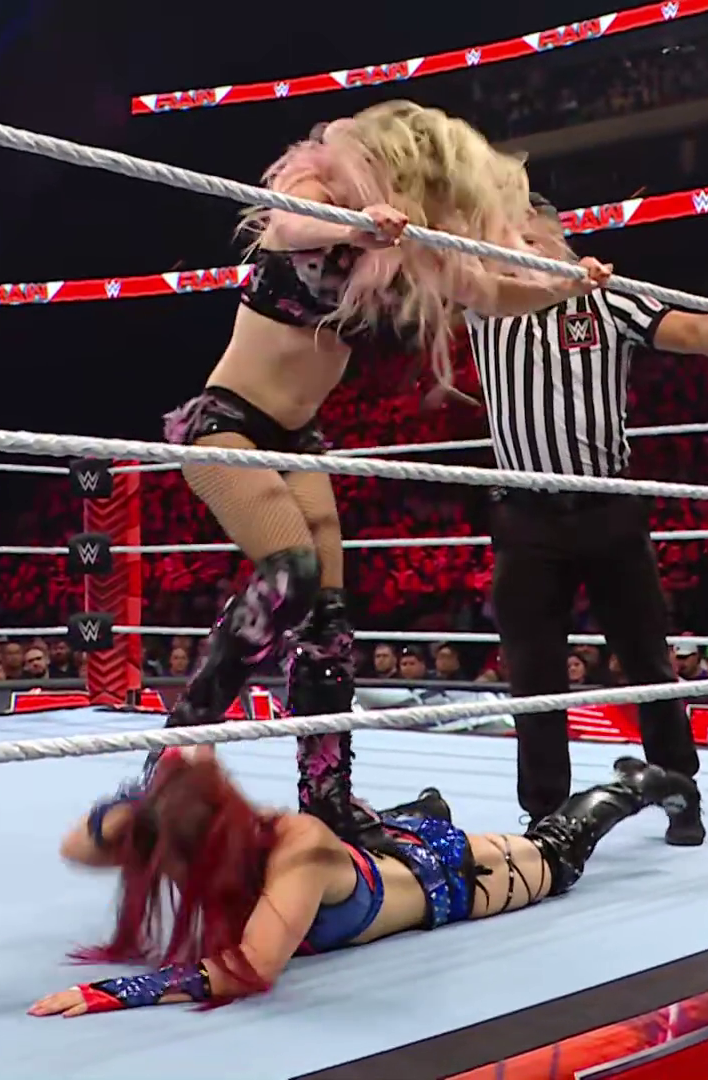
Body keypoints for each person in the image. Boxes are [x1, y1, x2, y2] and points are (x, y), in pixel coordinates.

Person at [156, 101, 610, 843]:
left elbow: (488, 292)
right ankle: (182, 742)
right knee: (291, 574)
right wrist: (355, 225)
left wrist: (564, 287)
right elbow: (292, 227)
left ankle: (327, 798)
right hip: (228, 421)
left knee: (329, 625)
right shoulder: (316, 192)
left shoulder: (407, 245)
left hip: (300, 442)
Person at [463, 191, 708, 845]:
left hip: (608, 507)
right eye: (507, 240)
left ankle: (680, 789)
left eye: (529, 239)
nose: (517, 251)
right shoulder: (485, 301)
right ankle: (545, 816)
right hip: (525, 517)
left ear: (559, 241)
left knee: (646, 658)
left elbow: (695, 334)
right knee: (533, 672)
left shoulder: (607, 300)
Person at [28, 745, 696, 1016]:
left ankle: (636, 784)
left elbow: (251, 965)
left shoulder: (296, 848)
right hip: (377, 855)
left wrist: (115, 992)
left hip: (453, 877)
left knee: (558, 852)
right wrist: (141, 800)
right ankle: (419, 809)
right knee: (382, 838)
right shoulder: (179, 835)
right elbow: (77, 846)